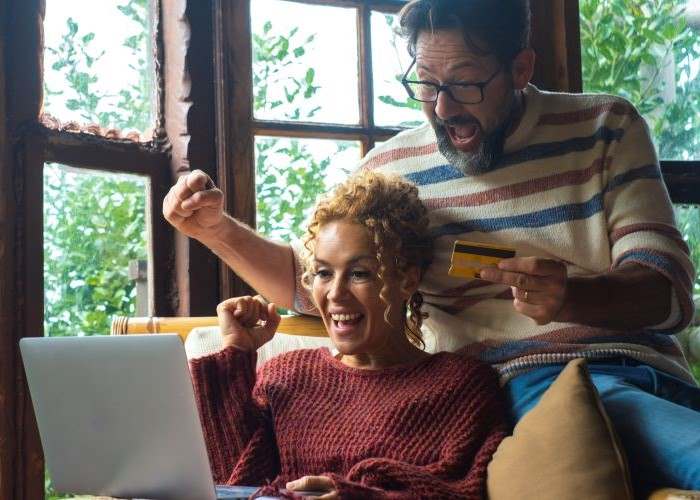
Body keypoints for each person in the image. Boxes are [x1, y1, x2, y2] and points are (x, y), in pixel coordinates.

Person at [165, 0, 700, 494]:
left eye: (466, 85)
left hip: (648, 373)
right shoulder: (393, 169)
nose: (443, 108)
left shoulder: (606, 125)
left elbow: (670, 296)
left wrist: (571, 298)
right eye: (425, 84)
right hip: (524, 388)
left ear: (520, 68)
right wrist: (215, 229)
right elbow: (314, 285)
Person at [189, 171, 507, 499]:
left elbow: (459, 494)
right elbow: (233, 481)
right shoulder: (286, 376)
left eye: (359, 273)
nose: (335, 293)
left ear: (408, 280)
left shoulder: (462, 387)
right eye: (324, 273)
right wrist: (235, 353)